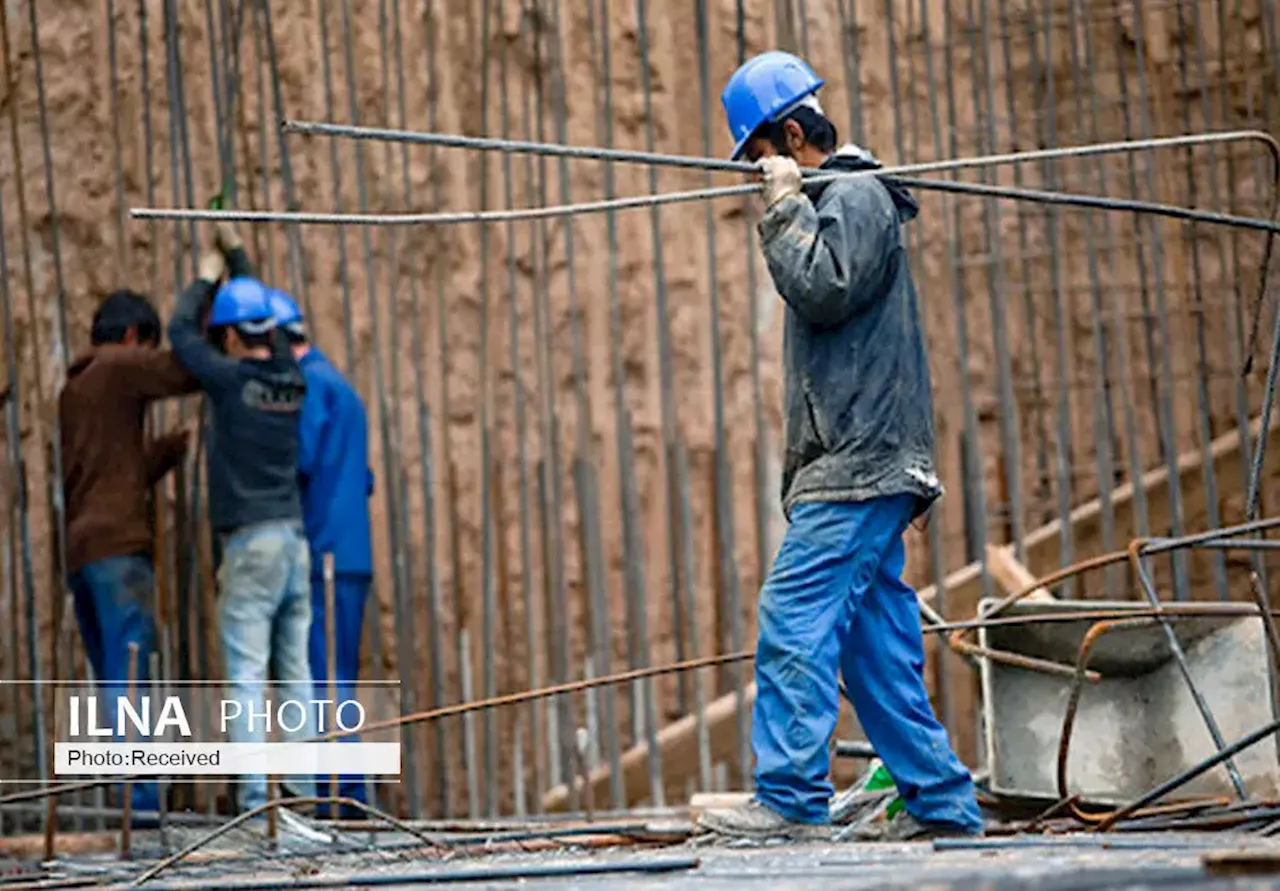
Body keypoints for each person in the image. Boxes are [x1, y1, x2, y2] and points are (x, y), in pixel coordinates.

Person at [697, 51, 984, 843]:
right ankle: (944, 803)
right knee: (876, 648)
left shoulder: (855, 193)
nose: (756, 173)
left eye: (760, 156)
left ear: (790, 134)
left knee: (794, 612)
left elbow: (820, 289)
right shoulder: (843, 197)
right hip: (860, 458)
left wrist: (785, 210)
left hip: (858, 463)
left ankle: (788, 797)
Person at [167, 224, 316, 818]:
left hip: (251, 545)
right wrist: (238, 259)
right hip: (293, 543)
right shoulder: (291, 379)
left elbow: (181, 334)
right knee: (297, 676)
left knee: (249, 681)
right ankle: (303, 802)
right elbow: (269, 326)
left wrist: (207, 277)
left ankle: (257, 806)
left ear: (229, 334)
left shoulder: (231, 383)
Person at [60, 289, 197, 820]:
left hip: (82, 552)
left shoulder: (75, 387)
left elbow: (110, 470)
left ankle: (128, 796)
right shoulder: (118, 366)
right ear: (133, 337)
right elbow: (182, 370)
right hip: (119, 550)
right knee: (131, 674)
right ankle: (139, 804)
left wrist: (165, 452)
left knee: (113, 676)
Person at [267, 288, 375, 819]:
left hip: (324, 553)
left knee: (321, 674)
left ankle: (344, 794)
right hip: (354, 552)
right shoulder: (346, 390)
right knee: (341, 674)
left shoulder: (309, 387)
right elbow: (364, 478)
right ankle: (349, 791)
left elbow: (299, 458)